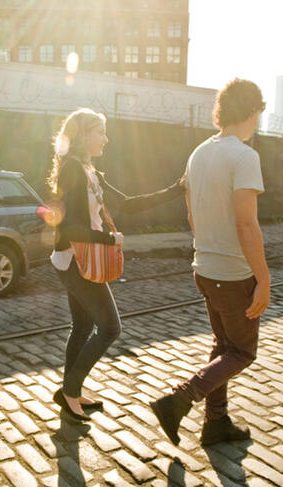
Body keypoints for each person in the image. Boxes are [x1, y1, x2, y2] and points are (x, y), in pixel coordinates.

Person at [150, 78, 270, 447]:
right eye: (258, 115)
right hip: (234, 274)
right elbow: (246, 223)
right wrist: (263, 279)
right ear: (251, 111)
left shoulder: (198, 153)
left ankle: (216, 423)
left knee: (223, 345)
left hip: (204, 268)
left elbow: (191, 215)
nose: (258, 123)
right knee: (242, 351)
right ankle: (179, 399)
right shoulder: (244, 156)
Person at [47, 108, 185, 423]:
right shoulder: (72, 171)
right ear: (84, 135)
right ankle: (70, 390)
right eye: (101, 132)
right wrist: (111, 240)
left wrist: (176, 189)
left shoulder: (90, 172)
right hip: (76, 261)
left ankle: (70, 392)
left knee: (82, 326)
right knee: (110, 327)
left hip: (81, 259)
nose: (106, 139)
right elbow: (69, 229)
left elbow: (130, 204)